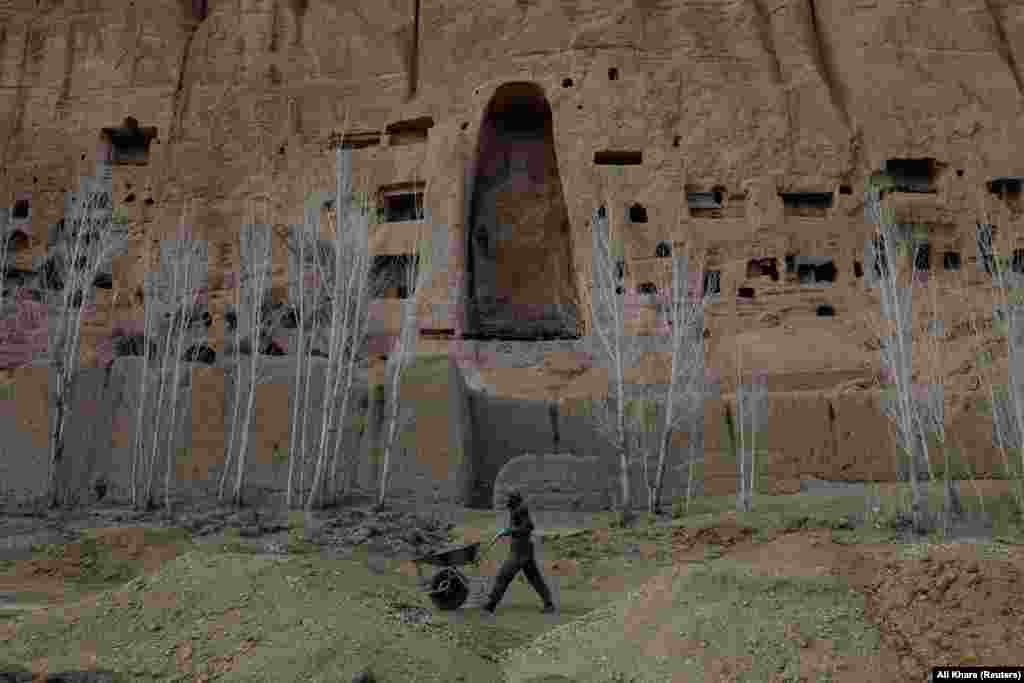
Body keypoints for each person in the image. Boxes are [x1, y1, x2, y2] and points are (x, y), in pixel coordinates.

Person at [482, 490, 556, 615]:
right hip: (522, 549)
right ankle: (549, 604)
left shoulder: (521, 509)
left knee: (504, 575)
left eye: (508, 499)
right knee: (534, 578)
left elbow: (528, 527)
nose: (506, 501)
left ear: (514, 499)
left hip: (521, 551)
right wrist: (510, 530)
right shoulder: (515, 509)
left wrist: (509, 531)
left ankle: (491, 604)